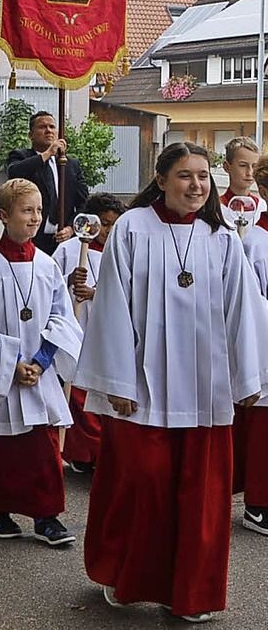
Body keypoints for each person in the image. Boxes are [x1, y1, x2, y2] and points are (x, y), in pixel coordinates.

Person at [74, 141, 268, 622]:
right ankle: (129, 576)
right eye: (185, 176)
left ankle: (191, 592)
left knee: (201, 496)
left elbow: (242, 311)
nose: (197, 185)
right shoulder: (133, 230)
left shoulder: (221, 238)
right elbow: (113, 309)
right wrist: (116, 381)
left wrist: (248, 378)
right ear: (161, 180)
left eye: (203, 177)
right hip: (143, 390)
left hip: (206, 391)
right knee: (143, 487)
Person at [0, 178, 82, 545]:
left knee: (41, 446)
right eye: (27, 210)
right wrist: (11, 364)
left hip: (38, 373)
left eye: (39, 210)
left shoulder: (47, 265)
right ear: (3, 216)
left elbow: (61, 316)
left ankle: (46, 516)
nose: (36, 217)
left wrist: (40, 360)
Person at [53, 192, 126, 472]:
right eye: (104, 224)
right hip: (77, 329)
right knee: (77, 393)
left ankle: (100, 454)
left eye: (113, 225)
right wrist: (68, 281)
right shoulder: (71, 250)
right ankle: (81, 454)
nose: (107, 231)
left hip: (105, 331)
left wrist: (95, 292)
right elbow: (49, 284)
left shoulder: (121, 249)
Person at [236, 153, 268, 536]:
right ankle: (258, 503)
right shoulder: (253, 242)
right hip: (265, 345)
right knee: (262, 429)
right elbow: (253, 301)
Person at [7, 111, 89, 255]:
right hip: (32, 237)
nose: (48, 130)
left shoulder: (70, 165)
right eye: (42, 127)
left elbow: (83, 202)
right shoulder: (21, 157)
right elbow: (14, 172)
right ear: (30, 135)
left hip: (63, 240)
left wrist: (71, 228)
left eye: (52, 126)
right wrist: (47, 154)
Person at [220, 136, 265, 226]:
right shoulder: (215, 208)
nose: (250, 173)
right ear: (227, 167)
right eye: (243, 165)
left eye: (254, 166)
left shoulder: (262, 207)